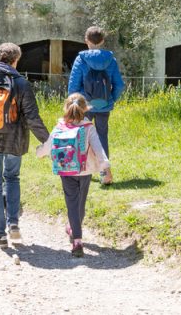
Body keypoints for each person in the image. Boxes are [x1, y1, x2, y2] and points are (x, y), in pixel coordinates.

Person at [0, 42, 50, 247]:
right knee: (12, 178)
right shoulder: (22, 84)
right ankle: (13, 225)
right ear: (16, 60)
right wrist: (48, 141)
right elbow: (33, 117)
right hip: (15, 140)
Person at [36, 93, 112, 258]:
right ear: (85, 109)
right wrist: (105, 167)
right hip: (84, 170)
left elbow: (47, 146)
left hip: (66, 170)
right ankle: (74, 229)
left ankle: (76, 239)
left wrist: (39, 152)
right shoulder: (88, 128)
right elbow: (99, 150)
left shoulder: (60, 127)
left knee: (72, 202)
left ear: (66, 108)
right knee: (80, 203)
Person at [67, 26, 125, 176]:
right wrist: (110, 99)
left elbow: (73, 86)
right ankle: (105, 172)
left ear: (86, 40)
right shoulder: (111, 60)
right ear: (103, 40)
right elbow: (119, 85)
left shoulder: (81, 59)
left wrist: (76, 104)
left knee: (81, 135)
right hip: (104, 105)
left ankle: (81, 169)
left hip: (84, 105)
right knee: (102, 136)